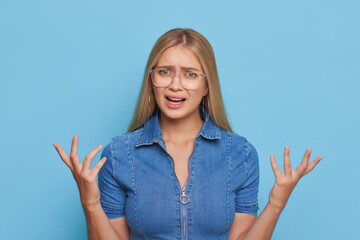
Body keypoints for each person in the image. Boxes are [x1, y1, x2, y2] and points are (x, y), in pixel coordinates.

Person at [53, 28, 323, 240]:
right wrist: (90, 203)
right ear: (152, 80)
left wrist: (276, 204)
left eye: (190, 74)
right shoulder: (120, 153)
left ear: (207, 85)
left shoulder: (239, 154)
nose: (175, 85)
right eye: (164, 72)